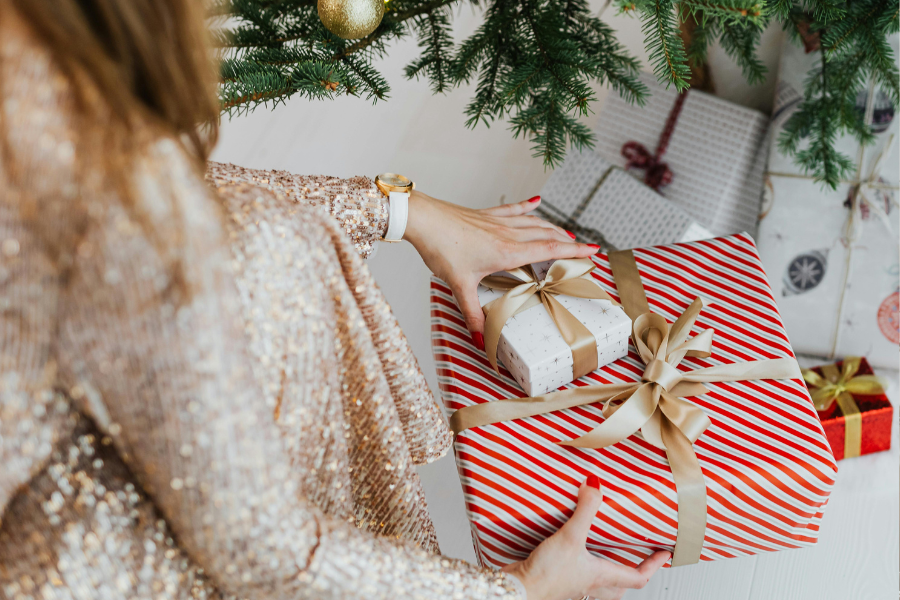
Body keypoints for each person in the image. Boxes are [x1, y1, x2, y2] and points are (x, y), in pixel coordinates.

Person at [0, 1, 670, 599]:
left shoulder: (52, 103)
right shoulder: (129, 233)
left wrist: (397, 209)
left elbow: (183, 179)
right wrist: (515, 591)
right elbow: (267, 554)